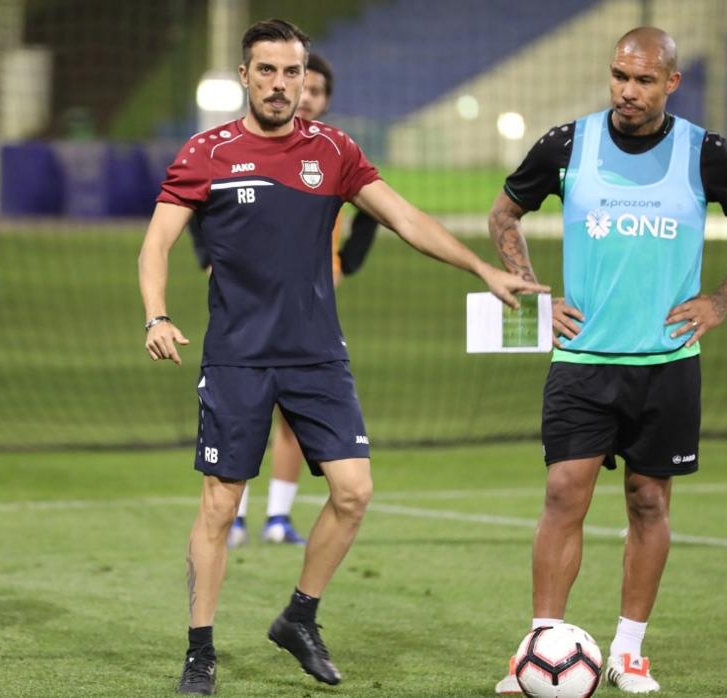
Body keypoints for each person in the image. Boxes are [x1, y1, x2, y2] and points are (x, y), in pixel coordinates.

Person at [138, 18, 545, 695]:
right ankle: (199, 650)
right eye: (265, 71)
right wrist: (156, 314)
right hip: (237, 357)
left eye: (290, 72)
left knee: (353, 492)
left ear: (305, 80)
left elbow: (406, 218)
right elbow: (154, 246)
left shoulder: (333, 151)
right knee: (218, 504)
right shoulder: (205, 153)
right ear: (244, 76)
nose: (277, 84)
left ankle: (299, 616)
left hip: (316, 356)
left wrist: (481, 268)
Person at [487, 27, 727, 694]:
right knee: (562, 496)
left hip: (667, 364)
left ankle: (628, 653)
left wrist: (722, 299)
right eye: (619, 75)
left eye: (643, 80)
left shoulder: (706, 153)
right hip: (581, 361)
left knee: (648, 503)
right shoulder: (565, 145)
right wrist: (534, 300)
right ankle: (538, 647)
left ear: (671, 83)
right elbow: (503, 215)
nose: (627, 90)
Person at [226, 51, 381, 549]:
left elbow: (376, 209)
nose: (304, 95)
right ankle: (236, 516)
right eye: (299, 84)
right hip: (251, 313)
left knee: (294, 420)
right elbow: (200, 202)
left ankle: (276, 517)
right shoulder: (239, 147)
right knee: (246, 416)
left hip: (310, 311)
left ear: (325, 99)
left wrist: (345, 264)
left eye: (314, 90)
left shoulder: (334, 154)